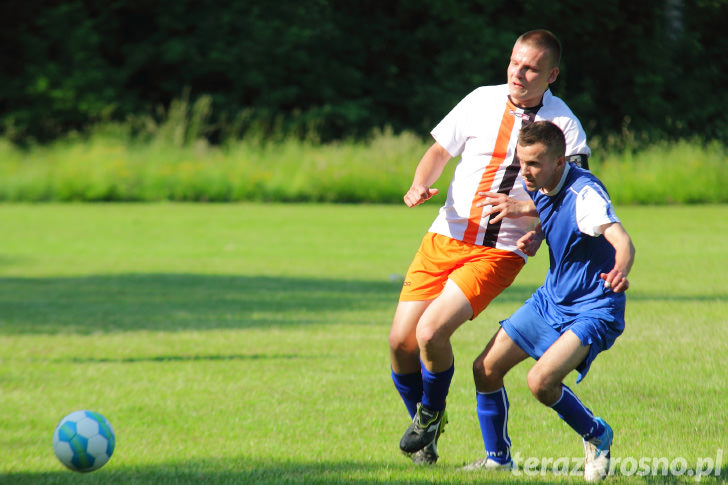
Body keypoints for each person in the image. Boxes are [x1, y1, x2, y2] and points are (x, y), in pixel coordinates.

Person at [388, 29, 591, 465]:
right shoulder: (482, 98)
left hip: (498, 251)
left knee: (430, 332)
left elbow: (579, 192)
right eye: (515, 61)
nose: (518, 71)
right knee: (401, 343)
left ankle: (430, 414)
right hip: (444, 235)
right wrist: (420, 182)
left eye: (531, 66)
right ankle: (427, 433)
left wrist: (528, 213)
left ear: (551, 74)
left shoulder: (565, 124)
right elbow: (439, 152)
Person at [462, 120, 635, 482]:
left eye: (534, 164)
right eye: (522, 161)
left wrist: (620, 268)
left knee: (541, 382)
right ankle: (497, 459)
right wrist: (535, 228)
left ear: (560, 162)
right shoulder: (538, 180)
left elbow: (622, 240)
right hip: (552, 300)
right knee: (485, 369)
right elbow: (548, 204)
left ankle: (597, 434)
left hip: (593, 307)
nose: (525, 171)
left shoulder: (586, 195)